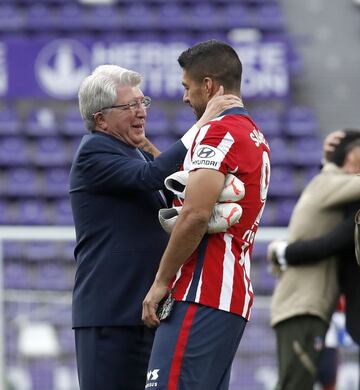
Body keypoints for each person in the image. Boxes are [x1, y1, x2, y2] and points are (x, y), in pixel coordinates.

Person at [69, 64, 241, 390]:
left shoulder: (134, 151)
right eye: (129, 105)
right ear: (101, 119)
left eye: (142, 102)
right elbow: (151, 178)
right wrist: (205, 125)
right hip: (110, 312)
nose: (140, 112)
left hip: (144, 309)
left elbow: (166, 182)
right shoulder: (94, 149)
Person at [142, 39, 271, 389]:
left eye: (187, 87)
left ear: (209, 85)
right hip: (229, 293)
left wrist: (160, 282)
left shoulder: (218, 131)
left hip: (202, 291)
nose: (185, 97)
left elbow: (196, 215)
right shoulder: (254, 135)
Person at [267, 130, 360, 390]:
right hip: (303, 307)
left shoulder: (325, 182)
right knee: (295, 384)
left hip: (303, 306)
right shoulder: (331, 182)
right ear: (353, 156)